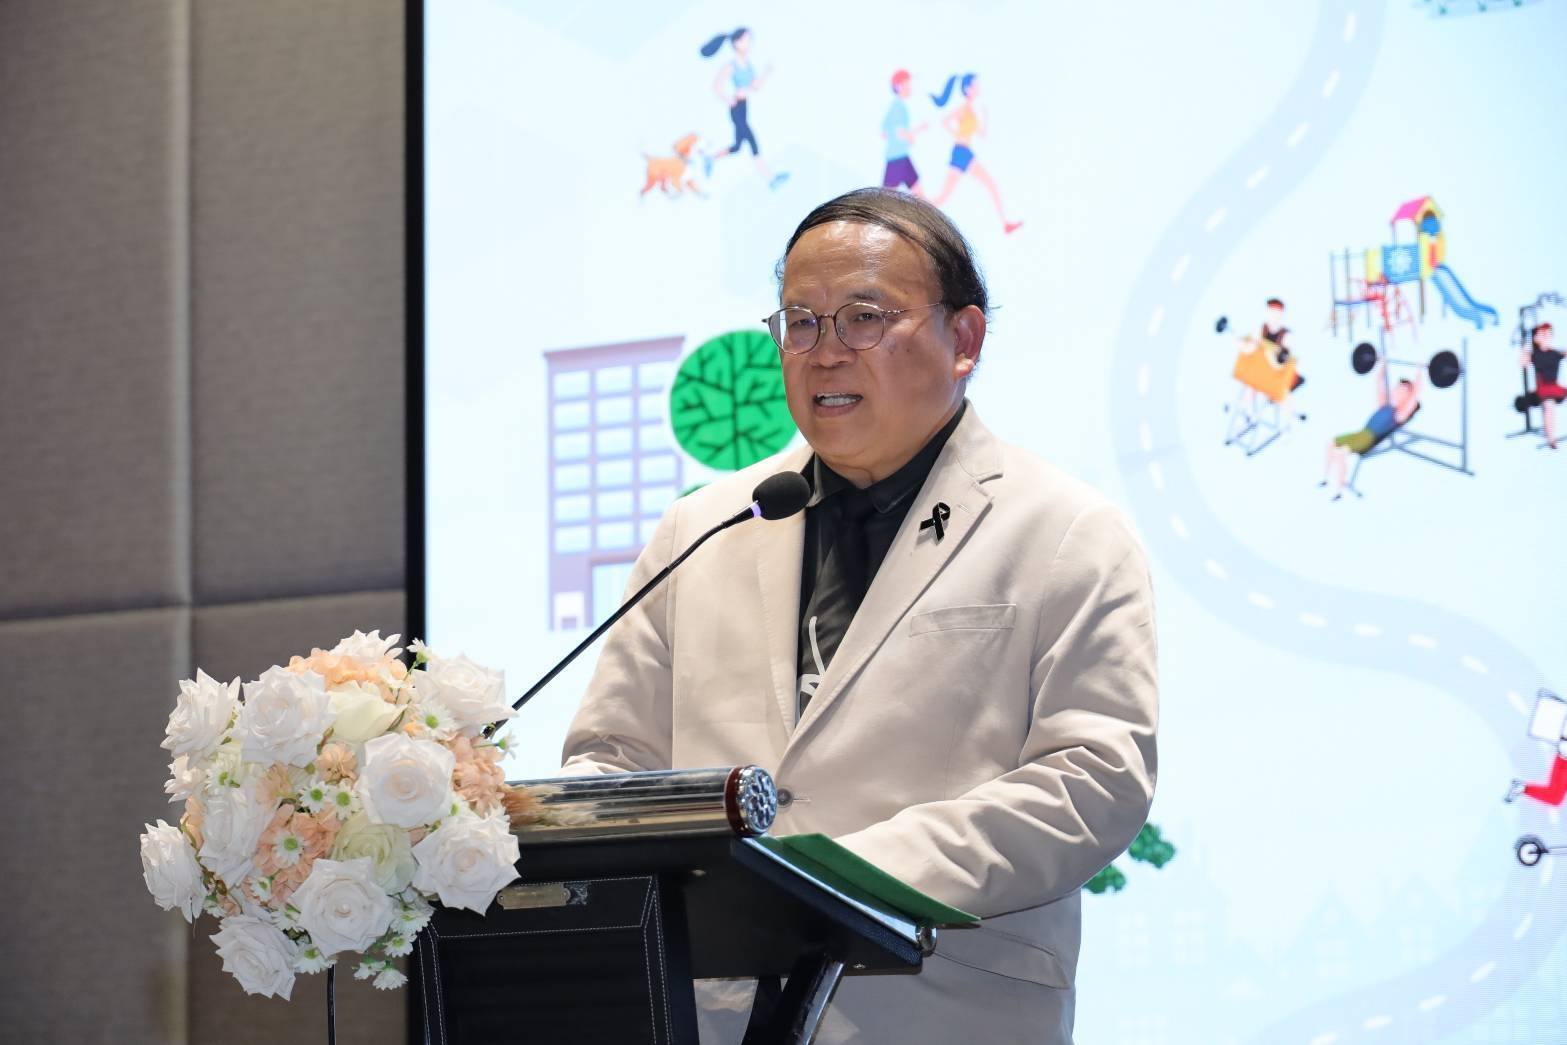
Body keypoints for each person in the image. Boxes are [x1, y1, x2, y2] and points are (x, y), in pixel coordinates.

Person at [561, 187, 1158, 1043]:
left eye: (863, 318)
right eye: (800, 323)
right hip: (708, 1012)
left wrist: (837, 876)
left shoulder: (1065, 528)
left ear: (964, 339)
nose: (824, 353)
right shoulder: (702, 527)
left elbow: (1092, 779)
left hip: (937, 1007)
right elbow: (612, 760)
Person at [927, 73, 1023, 234]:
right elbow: (945, 121)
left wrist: (986, 117)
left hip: (965, 153)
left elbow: (982, 134)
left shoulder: (972, 110)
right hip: (960, 152)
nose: (978, 88)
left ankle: (1006, 223)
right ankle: (917, 209)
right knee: (945, 195)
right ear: (968, 89)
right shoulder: (964, 108)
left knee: (987, 185)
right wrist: (957, 135)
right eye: (975, 85)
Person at [1320, 359, 1423, 499]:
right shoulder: (1384, 405)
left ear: (1407, 396)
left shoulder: (1399, 414)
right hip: (1360, 433)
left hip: (1367, 439)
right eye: (1397, 387)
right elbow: (1378, 384)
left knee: (1339, 453)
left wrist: (1419, 373)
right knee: (1330, 443)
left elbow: (1415, 396)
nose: (1396, 390)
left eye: (1402, 389)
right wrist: (1383, 366)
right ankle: (1325, 478)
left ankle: (1338, 491)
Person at [701, 27, 788, 190]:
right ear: (736, 43)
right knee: (753, 142)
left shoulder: (747, 64)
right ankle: (770, 179)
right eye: (745, 40)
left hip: (744, 107)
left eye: (749, 40)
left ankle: (710, 158)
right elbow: (717, 86)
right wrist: (729, 99)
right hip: (737, 109)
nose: (748, 44)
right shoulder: (731, 66)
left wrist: (766, 73)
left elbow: (755, 86)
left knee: (737, 146)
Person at [881, 69, 925, 195]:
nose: (910, 87)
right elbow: (900, 133)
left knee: (919, 196)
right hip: (897, 159)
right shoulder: (898, 107)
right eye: (907, 84)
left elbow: (884, 132)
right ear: (898, 86)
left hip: (901, 157)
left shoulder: (896, 105)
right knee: (885, 198)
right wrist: (917, 131)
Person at [1522, 322, 1563, 449]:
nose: (1546, 336)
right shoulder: (1535, 355)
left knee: (1549, 406)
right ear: (1536, 338)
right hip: (1543, 388)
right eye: (1543, 334)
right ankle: (1551, 438)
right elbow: (1523, 363)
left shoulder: (1555, 353)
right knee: (1549, 407)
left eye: (1548, 334)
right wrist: (1525, 349)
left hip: (1555, 387)